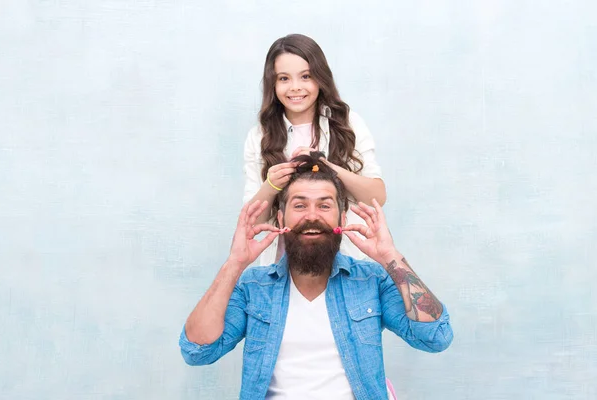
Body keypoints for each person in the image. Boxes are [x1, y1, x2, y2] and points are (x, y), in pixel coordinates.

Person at [180, 154, 453, 400]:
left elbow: (435, 336)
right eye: (299, 206)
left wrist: (390, 256)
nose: (312, 216)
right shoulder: (254, 287)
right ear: (280, 217)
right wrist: (234, 264)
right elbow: (198, 351)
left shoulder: (371, 281)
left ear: (342, 220)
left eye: (324, 206)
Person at [243, 33, 386, 265]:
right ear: (273, 84)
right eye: (284, 78)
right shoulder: (260, 135)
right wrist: (271, 185)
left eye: (306, 76)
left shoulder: (348, 124)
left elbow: (376, 197)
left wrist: (327, 167)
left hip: (346, 258)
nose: (295, 88)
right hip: (285, 263)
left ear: (320, 78)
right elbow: (252, 221)